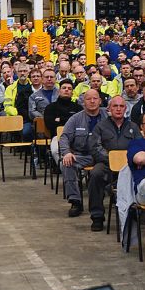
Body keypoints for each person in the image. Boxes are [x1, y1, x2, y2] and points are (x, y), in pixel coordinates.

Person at [86, 95, 139, 232]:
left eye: (121, 106)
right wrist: (112, 159)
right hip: (106, 164)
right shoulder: (101, 126)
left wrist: (127, 160)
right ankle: (97, 217)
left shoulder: (133, 127)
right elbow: (95, 147)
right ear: (109, 109)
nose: (118, 109)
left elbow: (139, 146)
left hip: (129, 164)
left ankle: (134, 213)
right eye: (115, 106)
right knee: (95, 174)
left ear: (125, 109)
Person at [57, 89, 108, 218]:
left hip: (105, 156)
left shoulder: (108, 116)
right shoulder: (75, 119)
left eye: (95, 98)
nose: (92, 101)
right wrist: (67, 152)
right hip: (84, 156)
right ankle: (75, 201)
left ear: (100, 101)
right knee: (67, 163)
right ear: (83, 102)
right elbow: (64, 138)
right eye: (88, 99)